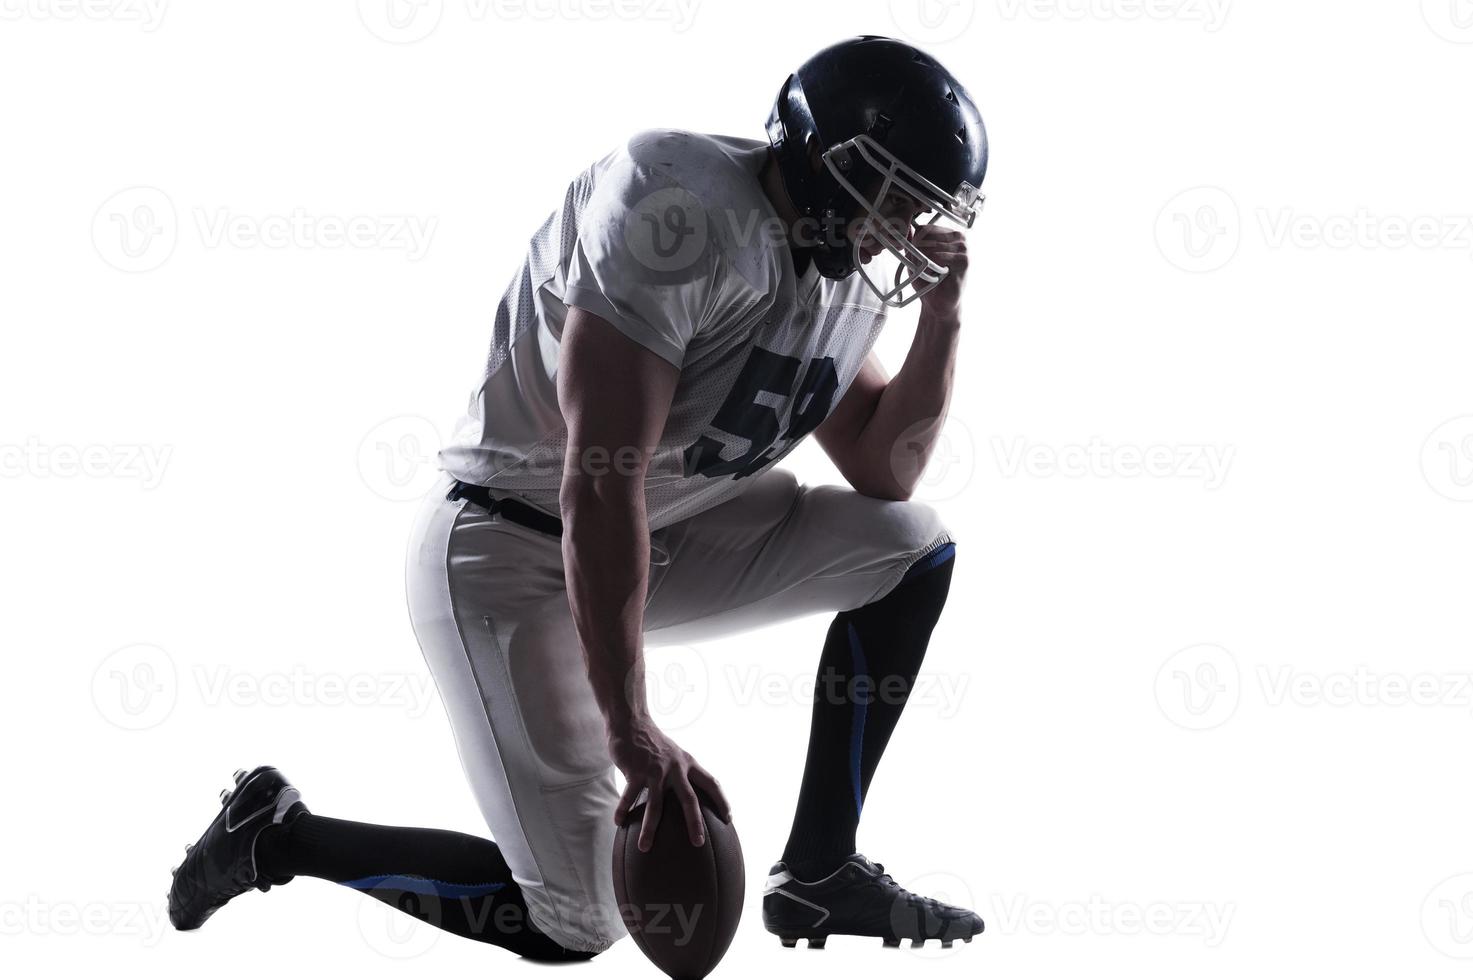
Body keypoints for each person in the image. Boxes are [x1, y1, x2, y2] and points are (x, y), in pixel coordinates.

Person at [168, 35, 989, 960]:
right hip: (508, 548)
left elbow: (887, 471)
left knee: (909, 545)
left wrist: (944, 320)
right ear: (824, 153)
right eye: (889, 196)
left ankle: (821, 869)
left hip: (662, 532)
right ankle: (275, 836)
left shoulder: (839, 280)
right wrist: (629, 725)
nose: (899, 231)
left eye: (919, 211)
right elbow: (600, 480)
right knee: (577, 922)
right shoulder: (677, 203)